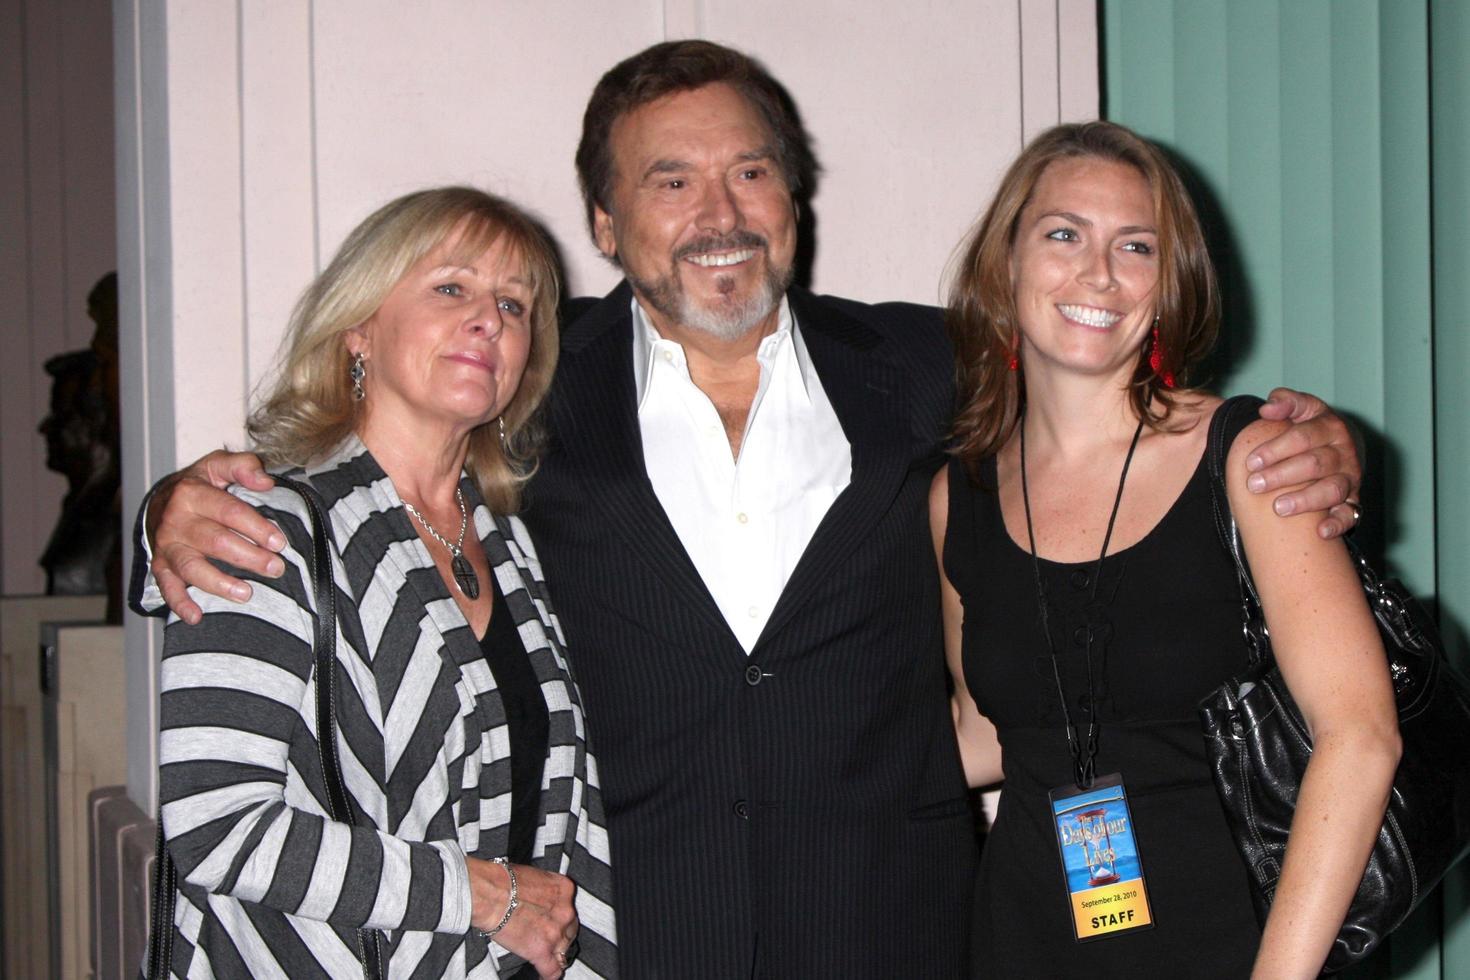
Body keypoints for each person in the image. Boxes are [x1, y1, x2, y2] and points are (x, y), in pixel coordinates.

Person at [135, 43, 1363, 978]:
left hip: (907, 933)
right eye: (670, 180)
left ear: (794, 200)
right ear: (609, 226)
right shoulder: (525, 388)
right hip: (633, 939)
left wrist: (1314, 441)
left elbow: (1107, 388)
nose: (718, 209)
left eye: (749, 170)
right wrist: (161, 517)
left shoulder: (929, 368)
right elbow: (363, 477)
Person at [932, 121, 1399, 977]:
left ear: (1169, 283)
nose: (1099, 273)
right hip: (1023, 942)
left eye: (1136, 246)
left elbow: (1360, 736)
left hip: (1238, 945)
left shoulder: (1251, 459)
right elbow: (984, 731)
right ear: (1007, 263)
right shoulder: (956, 494)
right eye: (1064, 233)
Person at [145, 187, 615, 979]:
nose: (489, 320)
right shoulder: (266, 530)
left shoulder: (517, 549)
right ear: (359, 328)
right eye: (450, 288)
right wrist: (479, 896)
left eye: (513, 303)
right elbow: (214, 823)